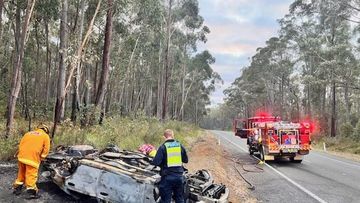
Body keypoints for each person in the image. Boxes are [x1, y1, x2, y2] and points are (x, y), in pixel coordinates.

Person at [13, 124, 51, 199]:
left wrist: (19, 154)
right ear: (46, 130)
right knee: (31, 175)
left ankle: (17, 189)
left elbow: (21, 144)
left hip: (21, 157)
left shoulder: (28, 134)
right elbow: (46, 149)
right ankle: (32, 192)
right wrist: (42, 157)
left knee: (21, 173)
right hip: (32, 158)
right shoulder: (45, 136)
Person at [152, 129, 188, 203]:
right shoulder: (179, 145)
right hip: (179, 177)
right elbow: (185, 160)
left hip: (167, 178)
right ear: (173, 136)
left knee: (166, 200)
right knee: (179, 199)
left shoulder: (163, 147)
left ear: (164, 137)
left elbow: (156, 162)